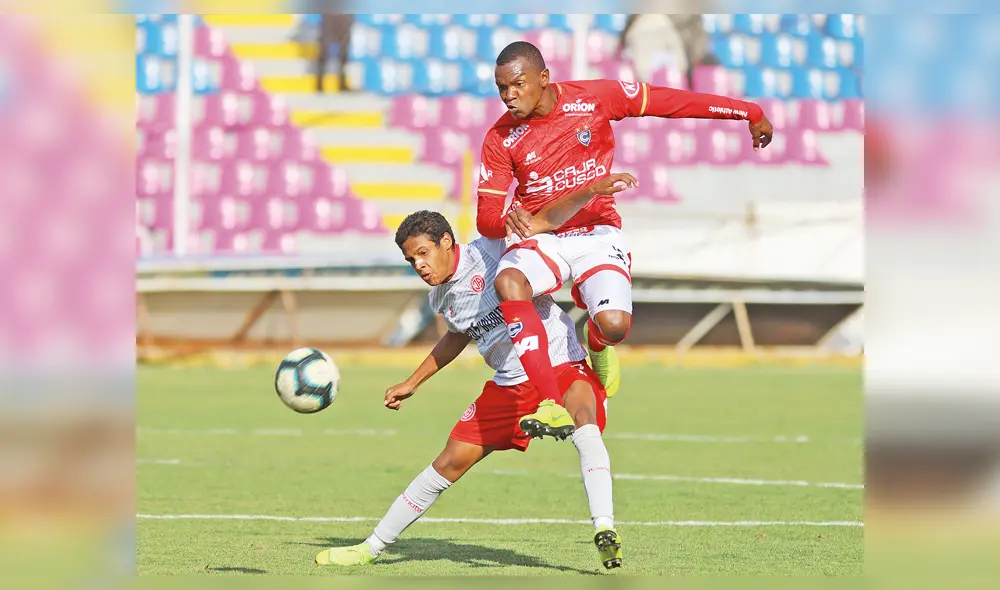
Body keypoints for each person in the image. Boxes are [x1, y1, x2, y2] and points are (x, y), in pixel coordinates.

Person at [315, 175, 638, 571]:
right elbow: (457, 336)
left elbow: (545, 224)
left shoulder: (494, 249)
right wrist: (412, 382)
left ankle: (605, 529)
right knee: (447, 463)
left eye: (423, 253)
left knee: (584, 423)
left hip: (559, 363)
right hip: (508, 387)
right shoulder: (441, 297)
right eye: (411, 260)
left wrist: (586, 192)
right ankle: (370, 548)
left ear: (446, 242)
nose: (419, 265)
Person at [477, 41, 773, 439]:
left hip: (596, 231)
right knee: (508, 281)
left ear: (543, 78)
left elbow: (670, 102)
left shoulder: (594, 99)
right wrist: (505, 221)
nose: (509, 96)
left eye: (517, 85)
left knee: (615, 326)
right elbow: (486, 221)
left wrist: (747, 111)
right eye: (502, 88)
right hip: (543, 235)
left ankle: (598, 344)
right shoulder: (501, 137)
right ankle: (550, 402)